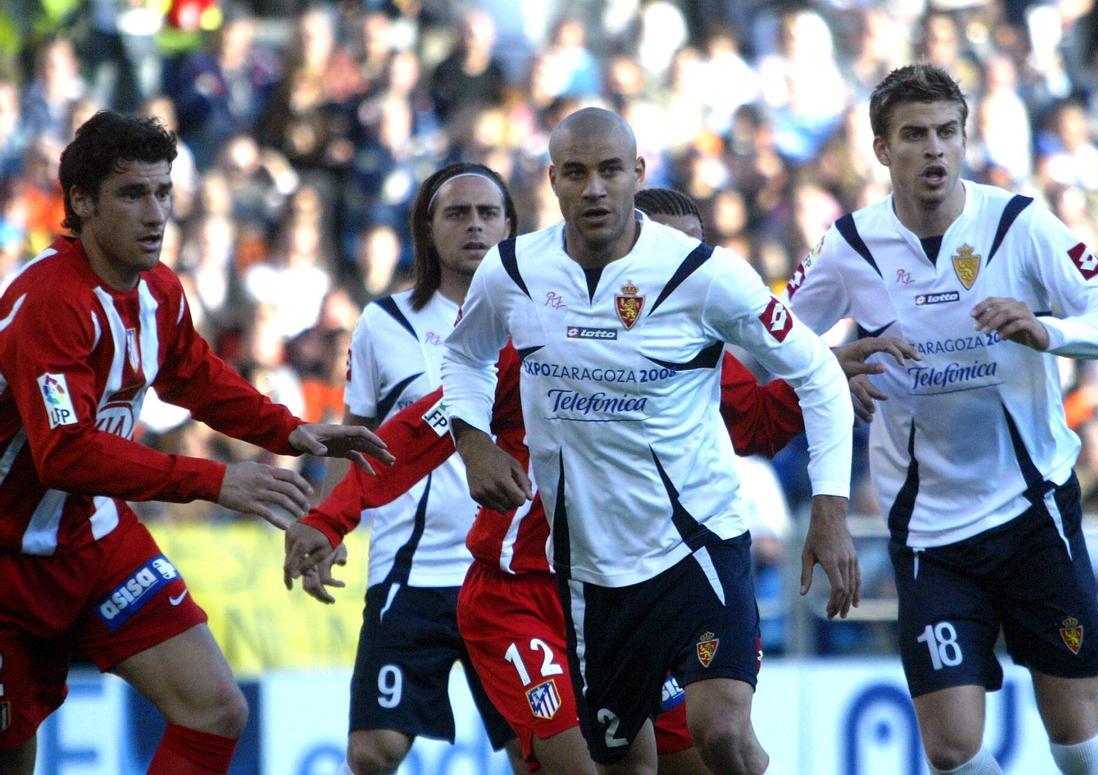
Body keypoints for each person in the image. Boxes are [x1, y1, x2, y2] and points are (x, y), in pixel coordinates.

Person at [287, 186, 898, 774]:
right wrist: (329, 517)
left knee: (708, 752)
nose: (685, 273)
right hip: (524, 590)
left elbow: (754, 426)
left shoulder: (693, 336)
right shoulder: (532, 342)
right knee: (581, 764)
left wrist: (814, 383)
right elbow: (416, 435)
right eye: (673, 253)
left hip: (648, 574)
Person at [440, 108, 857, 775]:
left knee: (719, 732)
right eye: (576, 173)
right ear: (553, 180)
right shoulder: (514, 271)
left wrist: (830, 509)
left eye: (610, 170)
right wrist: (472, 438)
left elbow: (818, 375)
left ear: (637, 173)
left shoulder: (704, 274)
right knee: (620, 764)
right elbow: (463, 358)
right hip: (590, 573)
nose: (595, 189)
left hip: (697, 545)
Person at [0, 111, 393, 775]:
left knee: (216, 707)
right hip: (9, 554)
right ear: (82, 202)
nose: (155, 213)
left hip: (95, 538)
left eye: (163, 192)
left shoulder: (158, 289)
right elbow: (63, 451)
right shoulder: (51, 300)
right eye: (132, 194)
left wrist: (289, 429)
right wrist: (215, 479)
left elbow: (193, 373)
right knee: (11, 752)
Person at [786, 64, 1098, 775]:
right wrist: (831, 360)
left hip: (1033, 511)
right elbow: (771, 338)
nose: (935, 150)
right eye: (915, 135)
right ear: (882, 149)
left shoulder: (1018, 223)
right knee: (952, 747)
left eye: (947, 133)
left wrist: (1049, 330)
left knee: (1077, 741)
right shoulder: (849, 247)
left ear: (965, 136)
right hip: (931, 530)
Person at [315, 162, 527, 775]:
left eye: (488, 214)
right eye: (457, 213)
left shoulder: (535, 316)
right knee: (373, 752)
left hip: (510, 568)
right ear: (427, 229)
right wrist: (331, 525)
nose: (475, 226)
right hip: (411, 570)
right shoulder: (386, 322)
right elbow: (354, 438)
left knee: (534, 749)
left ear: (509, 226)